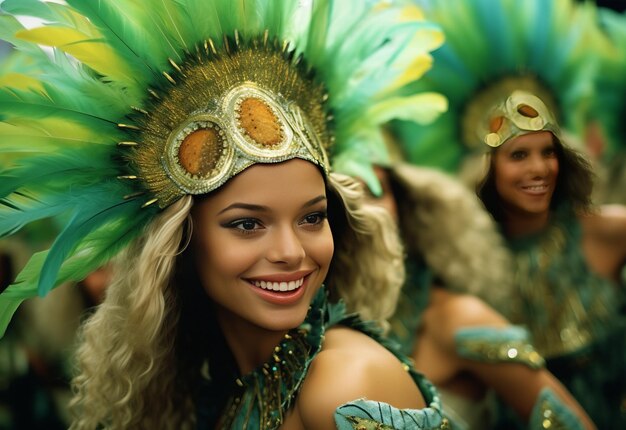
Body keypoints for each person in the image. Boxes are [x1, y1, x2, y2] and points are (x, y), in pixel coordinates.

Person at [0, 0, 451, 428]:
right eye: (247, 224)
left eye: (312, 218)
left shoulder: (347, 383)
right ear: (180, 242)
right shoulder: (218, 385)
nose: (291, 252)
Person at [339, 144, 596, 429]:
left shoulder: (457, 318)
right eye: (343, 191)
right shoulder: (302, 331)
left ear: (406, 205)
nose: (362, 208)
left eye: (376, 190)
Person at [476, 90, 626, 428]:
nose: (540, 168)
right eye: (518, 156)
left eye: (548, 153)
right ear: (489, 168)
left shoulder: (606, 231)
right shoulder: (470, 264)